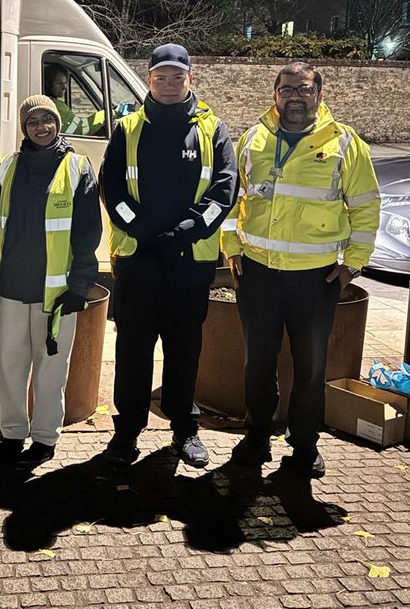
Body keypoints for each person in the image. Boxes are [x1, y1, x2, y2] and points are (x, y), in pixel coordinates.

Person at [223, 62, 380, 478]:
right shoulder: (253, 139)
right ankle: (257, 436)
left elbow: (366, 207)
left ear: (319, 95)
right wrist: (231, 247)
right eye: (287, 89)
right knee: (258, 363)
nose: (295, 96)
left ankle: (305, 445)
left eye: (304, 89)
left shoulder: (345, 143)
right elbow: (233, 197)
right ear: (274, 95)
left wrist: (353, 264)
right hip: (258, 273)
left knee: (310, 367)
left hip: (315, 277)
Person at [99, 43, 237, 468]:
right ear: (149, 80)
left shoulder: (213, 130)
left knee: (184, 349)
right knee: (133, 350)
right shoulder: (127, 129)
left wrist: (189, 229)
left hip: (188, 261)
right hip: (138, 258)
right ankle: (127, 431)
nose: (169, 84)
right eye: (161, 77)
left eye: (178, 77)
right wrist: (138, 227)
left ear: (190, 79)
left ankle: (184, 429)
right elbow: (112, 187)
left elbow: (225, 190)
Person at [0, 95, 102, 470]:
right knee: (10, 366)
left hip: (57, 292)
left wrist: (80, 285)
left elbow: (88, 233)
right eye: (33, 121)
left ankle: (45, 438)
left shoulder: (78, 168)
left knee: (52, 368)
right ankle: (12, 434)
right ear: (24, 128)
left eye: (47, 119)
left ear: (58, 123)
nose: (41, 127)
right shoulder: (8, 166)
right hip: (11, 287)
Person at [45, 63, 105, 137]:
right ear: (48, 84)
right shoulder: (55, 106)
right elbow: (79, 129)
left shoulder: (50, 103)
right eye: (59, 83)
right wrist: (105, 116)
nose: (64, 87)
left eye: (65, 82)